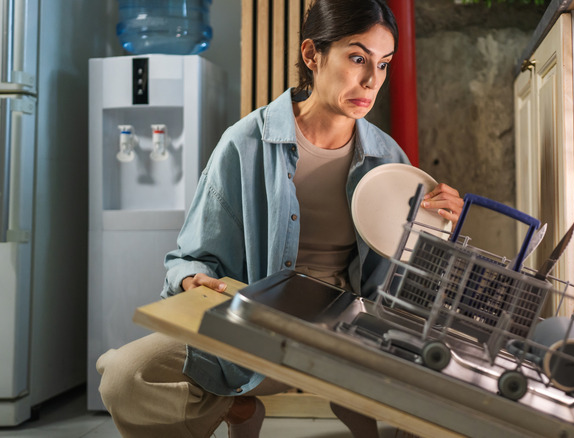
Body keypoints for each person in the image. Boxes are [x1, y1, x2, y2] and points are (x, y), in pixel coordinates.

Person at [96, 1, 464, 437]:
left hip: (350, 335)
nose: (371, 80)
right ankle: (239, 409)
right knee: (124, 377)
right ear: (312, 55)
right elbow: (189, 257)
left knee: (460, 383)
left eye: (383, 65)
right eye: (358, 58)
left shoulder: (389, 160)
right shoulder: (244, 144)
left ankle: (350, 394)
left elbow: (412, 283)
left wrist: (443, 229)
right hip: (257, 331)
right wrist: (193, 281)